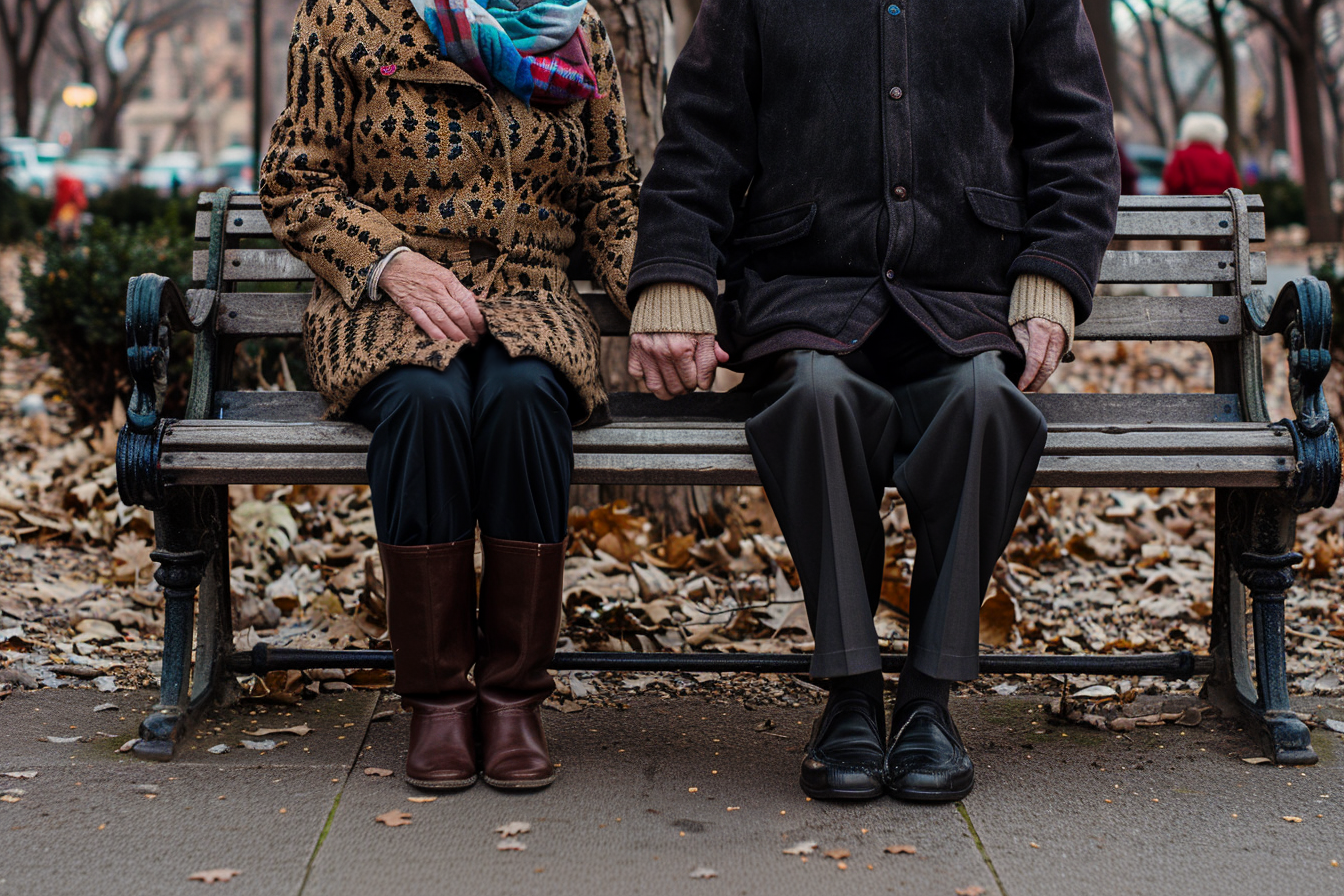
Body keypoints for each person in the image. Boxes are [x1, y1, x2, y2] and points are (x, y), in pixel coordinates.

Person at [626, 0, 1119, 802]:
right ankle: (850, 695)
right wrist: (677, 274)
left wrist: (1056, 273)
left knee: (987, 406)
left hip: (964, 302)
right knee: (814, 398)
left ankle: (929, 698)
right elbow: (699, 142)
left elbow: (1080, 145)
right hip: (807, 298)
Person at [260, 0, 638, 791]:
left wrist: (664, 297)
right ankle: (435, 702)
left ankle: (511, 701)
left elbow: (609, 192)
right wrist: (390, 261)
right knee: (426, 404)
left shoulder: (576, 28)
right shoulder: (343, 15)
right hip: (389, 308)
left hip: (531, 304)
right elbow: (296, 181)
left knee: (524, 397)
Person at [1162, 112, 1241, 196]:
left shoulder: (1181, 155)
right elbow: (1234, 186)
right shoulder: (1224, 157)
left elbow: (1173, 184)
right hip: (1221, 207)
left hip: (1188, 206)